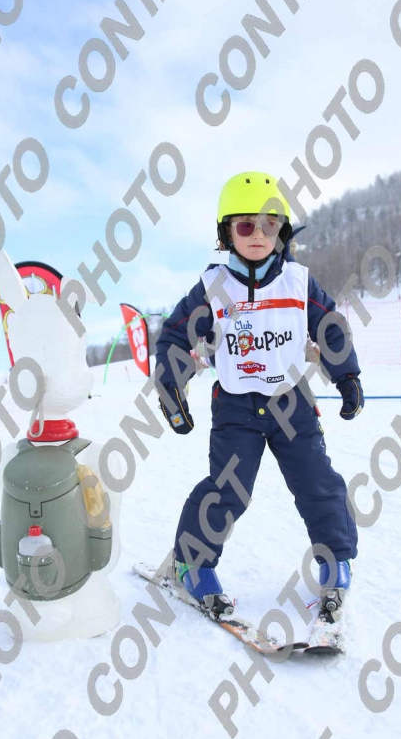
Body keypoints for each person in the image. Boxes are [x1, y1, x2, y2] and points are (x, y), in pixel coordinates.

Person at [154, 171, 364, 617]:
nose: (258, 235)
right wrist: (172, 386)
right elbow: (174, 336)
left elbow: (330, 327)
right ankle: (192, 563)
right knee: (228, 490)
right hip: (236, 406)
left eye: (269, 225)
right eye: (246, 225)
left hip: (292, 401)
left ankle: (336, 561)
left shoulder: (298, 283)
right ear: (226, 234)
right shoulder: (213, 288)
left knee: (316, 481)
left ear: (282, 231)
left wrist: (346, 376)